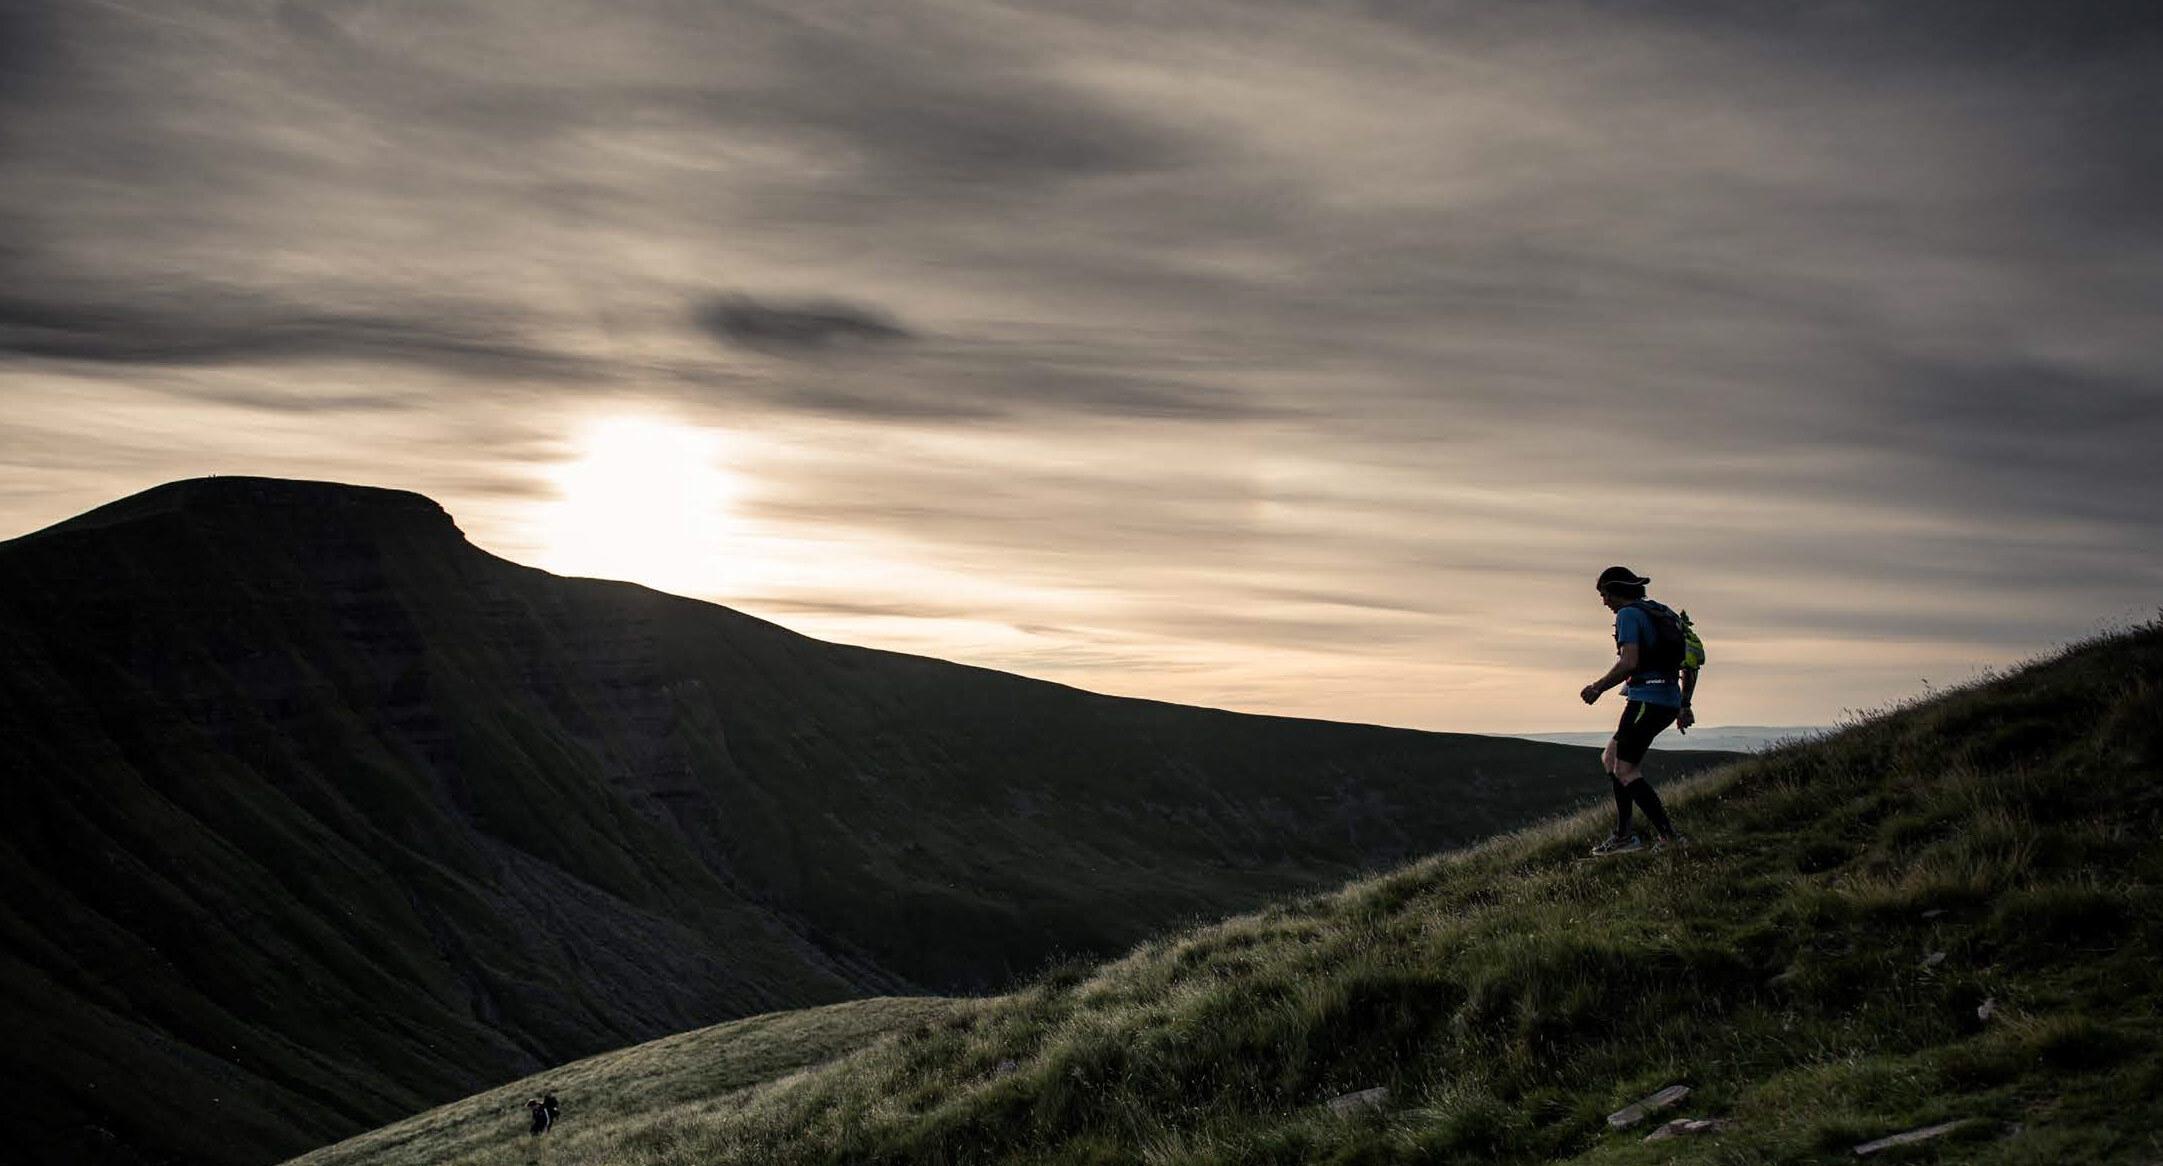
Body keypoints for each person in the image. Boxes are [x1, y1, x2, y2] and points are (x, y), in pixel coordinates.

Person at [1579, 566, 1696, 854]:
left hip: (1647, 700)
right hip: (1664, 698)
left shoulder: (1628, 615)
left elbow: (1629, 662)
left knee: (1627, 770)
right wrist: (1684, 703)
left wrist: (1598, 687)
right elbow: (1691, 662)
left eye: (1605, 594)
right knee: (1611, 758)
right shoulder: (1660, 612)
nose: (1604, 601)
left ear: (1617, 592)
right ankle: (1623, 835)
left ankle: (1669, 839)